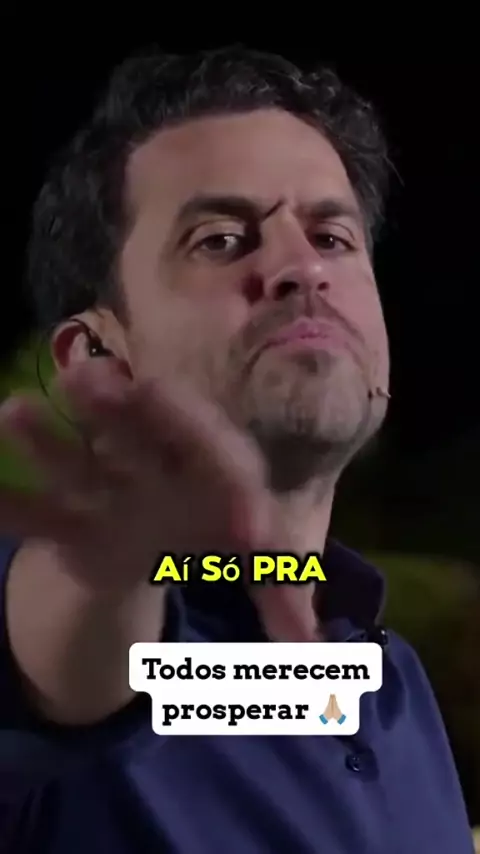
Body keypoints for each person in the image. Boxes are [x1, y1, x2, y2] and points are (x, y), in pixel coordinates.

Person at [0, 46, 474, 853]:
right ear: (99, 359)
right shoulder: (81, 615)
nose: (301, 268)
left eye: (332, 237)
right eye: (220, 240)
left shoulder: (389, 677)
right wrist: (105, 573)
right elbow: (73, 667)